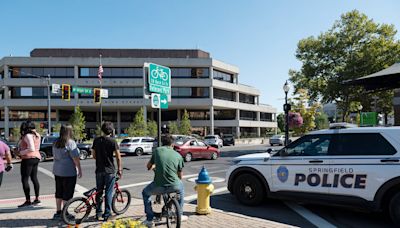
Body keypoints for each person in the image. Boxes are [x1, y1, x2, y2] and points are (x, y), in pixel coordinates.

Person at [142, 135, 187, 227]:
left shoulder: (157, 151)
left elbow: (148, 166)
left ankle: (149, 219)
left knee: (145, 193)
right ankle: (180, 214)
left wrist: (153, 167)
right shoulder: (178, 155)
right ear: (173, 144)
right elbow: (180, 175)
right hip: (174, 185)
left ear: (162, 143)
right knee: (181, 188)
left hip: (159, 185)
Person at [91, 121, 122, 221]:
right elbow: (118, 157)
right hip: (109, 170)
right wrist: (120, 169)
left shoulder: (96, 140)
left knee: (99, 192)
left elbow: (94, 155)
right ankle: (107, 214)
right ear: (112, 130)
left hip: (99, 170)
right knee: (109, 192)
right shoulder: (113, 141)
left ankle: (98, 213)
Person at [52, 124, 82, 220]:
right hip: (68, 171)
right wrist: (79, 169)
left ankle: (58, 212)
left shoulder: (55, 142)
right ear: (69, 131)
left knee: (59, 192)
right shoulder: (70, 143)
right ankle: (65, 213)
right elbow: (75, 159)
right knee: (67, 193)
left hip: (57, 170)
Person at [17, 120, 41, 207]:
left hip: (28, 158)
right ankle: (37, 198)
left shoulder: (28, 135)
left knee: (25, 179)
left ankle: (28, 200)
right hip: (36, 157)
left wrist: (21, 152)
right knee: (34, 178)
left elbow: (31, 148)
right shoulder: (37, 135)